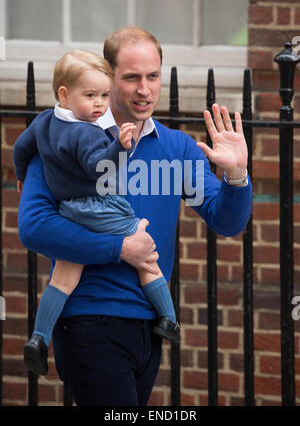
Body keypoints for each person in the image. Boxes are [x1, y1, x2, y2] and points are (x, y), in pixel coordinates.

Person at [17, 27, 252, 406]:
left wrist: (237, 175)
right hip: (88, 318)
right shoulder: (62, 140)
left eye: (153, 76)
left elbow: (226, 221)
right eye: (131, 78)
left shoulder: (177, 149)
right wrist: (120, 248)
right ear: (108, 78)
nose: (145, 89)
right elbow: (34, 228)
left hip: (149, 324)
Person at [13, 49, 180, 376]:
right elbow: (97, 167)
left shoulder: (44, 122)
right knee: (146, 254)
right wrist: (120, 146)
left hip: (69, 211)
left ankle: (38, 337)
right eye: (90, 96)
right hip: (101, 208)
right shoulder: (85, 132)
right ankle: (169, 319)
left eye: (104, 95)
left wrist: (21, 175)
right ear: (64, 94)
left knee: (64, 276)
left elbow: (21, 147)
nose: (100, 104)